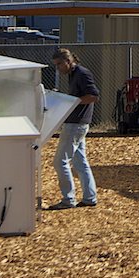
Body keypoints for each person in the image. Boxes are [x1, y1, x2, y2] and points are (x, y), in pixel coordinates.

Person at [49, 47, 100, 209]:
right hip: (79, 123)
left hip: (76, 124)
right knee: (80, 162)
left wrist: (73, 102)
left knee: (60, 162)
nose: (58, 68)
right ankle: (89, 197)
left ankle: (68, 199)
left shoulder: (82, 74)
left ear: (68, 61)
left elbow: (93, 96)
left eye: (59, 64)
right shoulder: (74, 74)